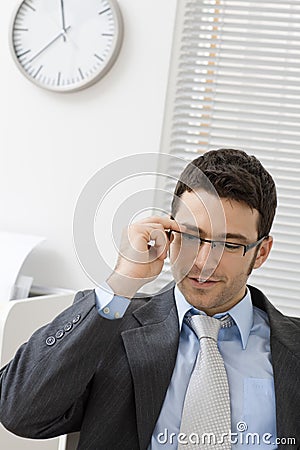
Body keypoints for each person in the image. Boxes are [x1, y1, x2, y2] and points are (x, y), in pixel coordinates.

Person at [0, 149, 299, 450]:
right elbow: (19, 412)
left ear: (261, 252)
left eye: (230, 245)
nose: (204, 262)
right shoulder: (112, 327)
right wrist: (122, 282)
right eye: (192, 236)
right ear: (169, 233)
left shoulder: (292, 350)